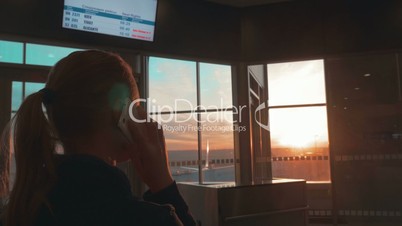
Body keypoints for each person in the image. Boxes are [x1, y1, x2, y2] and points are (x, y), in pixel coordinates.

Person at [0, 50, 197, 226]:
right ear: (120, 115)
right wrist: (164, 185)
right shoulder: (144, 218)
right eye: (136, 109)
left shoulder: (23, 211)